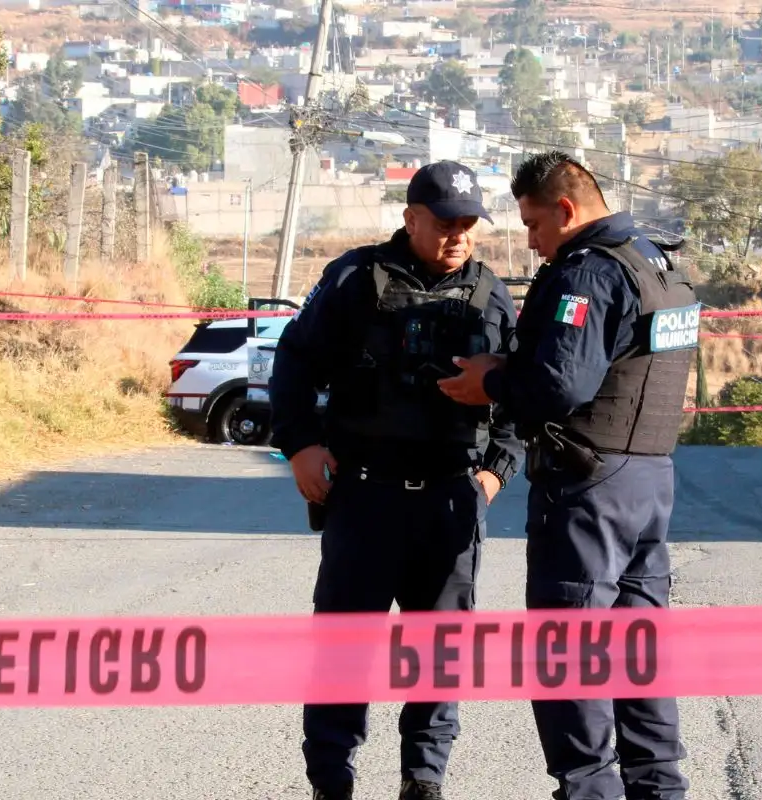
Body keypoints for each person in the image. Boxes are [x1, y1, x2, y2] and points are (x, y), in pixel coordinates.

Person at [436, 150, 695, 800]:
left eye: (533, 224)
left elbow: (558, 384)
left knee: (567, 652)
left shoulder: (589, 273)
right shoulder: (655, 261)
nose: (531, 242)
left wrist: (488, 381)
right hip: (648, 480)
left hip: (587, 489)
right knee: (639, 655)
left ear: (567, 209)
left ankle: (587, 791)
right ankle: (658, 789)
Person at [268, 160, 524, 800]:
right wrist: (299, 445)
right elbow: (295, 362)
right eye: (444, 223)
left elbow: (520, 397)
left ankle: (423, 781)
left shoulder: (492, 293)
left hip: (449, 502)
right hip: (364, 496)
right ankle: (332, 781)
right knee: (344, 650)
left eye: (468, 224)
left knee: (440, 654)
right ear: (410, 218)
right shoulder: (355, 279)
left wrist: (496, 473)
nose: (458, 235)